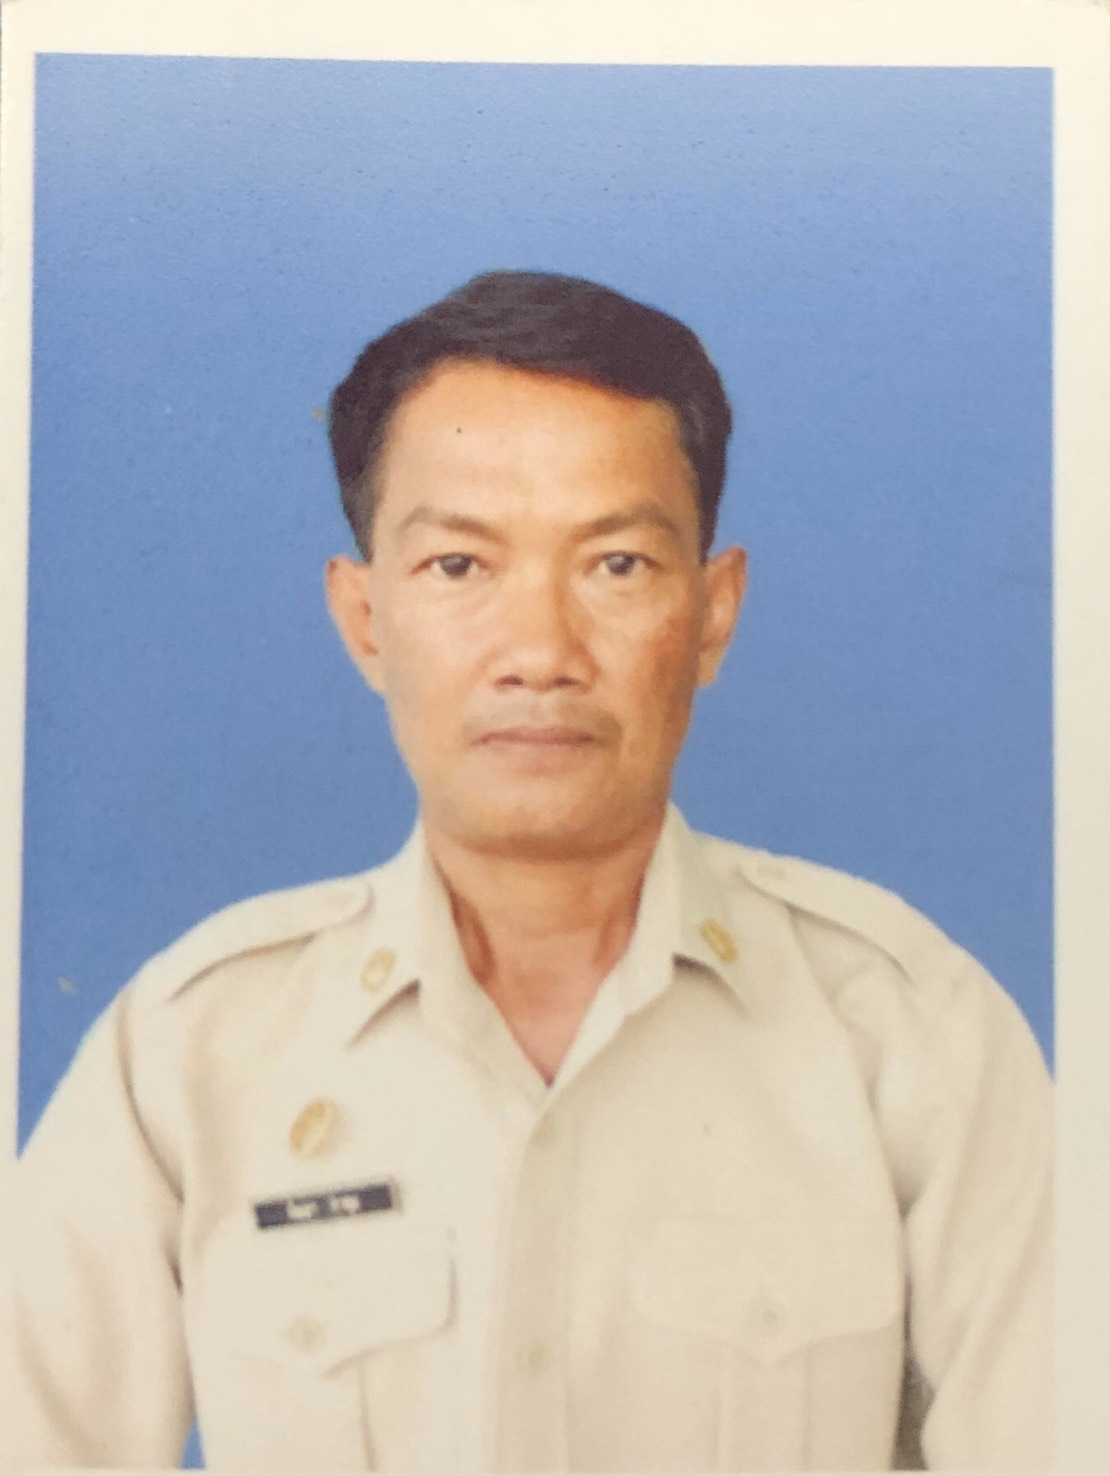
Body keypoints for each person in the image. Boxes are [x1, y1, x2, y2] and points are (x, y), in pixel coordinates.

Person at [5, 271, 1051, 1473]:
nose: (541, 653)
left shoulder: (912, 1033)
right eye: (460, 566)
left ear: (714, 614)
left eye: (618, 565)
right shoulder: (188, 1052)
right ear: (364, 619)